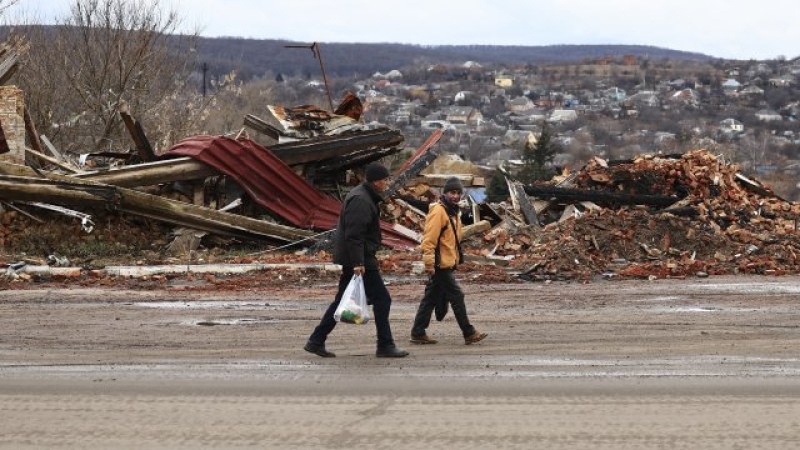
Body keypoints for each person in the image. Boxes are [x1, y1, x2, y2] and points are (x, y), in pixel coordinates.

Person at [304, 162, 409, 358]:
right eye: (385, 179)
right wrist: (358, 263)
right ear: (377, 181)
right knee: (382, 299)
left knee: (342, 300)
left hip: (358, 257)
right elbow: (354, 235)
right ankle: (385, 345)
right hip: (360, 260)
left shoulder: (365, 196)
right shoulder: (361, 200)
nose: (387, 183)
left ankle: (316, 340)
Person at [410, 177, 487, 346]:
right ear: (445, 193)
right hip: (439, 264)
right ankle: (469, 332)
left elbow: (451, 240)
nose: (456, 196)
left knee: (430, 298)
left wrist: (455, 260)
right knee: (457, 295)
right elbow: (429, 240)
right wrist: (429, 263)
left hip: (446, 262)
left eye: (458, 193)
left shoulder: (453, 212)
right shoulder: (439, 211)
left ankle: (418, 331)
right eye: (452, 192)